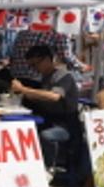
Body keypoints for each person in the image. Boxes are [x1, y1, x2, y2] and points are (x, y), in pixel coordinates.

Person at [11, 45, 80, 174]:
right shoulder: (45, 77)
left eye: (35, 64)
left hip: (66, 125)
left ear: (47, 59)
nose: (34, 69)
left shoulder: (63, 76)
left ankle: (49, 169)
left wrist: (24, 89)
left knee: (45, 136)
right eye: (31, 66)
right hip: (49, 120)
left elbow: (54, 96)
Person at [7, 29, 89, 86]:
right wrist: (82, 67)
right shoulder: (60, 31)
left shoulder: (25, 28)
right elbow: (65, 55)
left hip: (15, 76)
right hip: (36, 76)